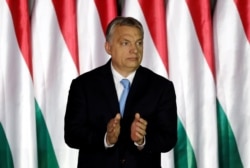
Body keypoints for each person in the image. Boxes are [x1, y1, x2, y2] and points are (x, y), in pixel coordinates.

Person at [64, 16, 177, 168]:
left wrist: (142, 140)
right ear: (108, 48)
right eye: (125, 43)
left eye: (139, 43)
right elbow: (72, 135)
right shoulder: (83, 85)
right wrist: (106, 138)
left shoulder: (161, 87)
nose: (134, 50)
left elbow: (168, 139)